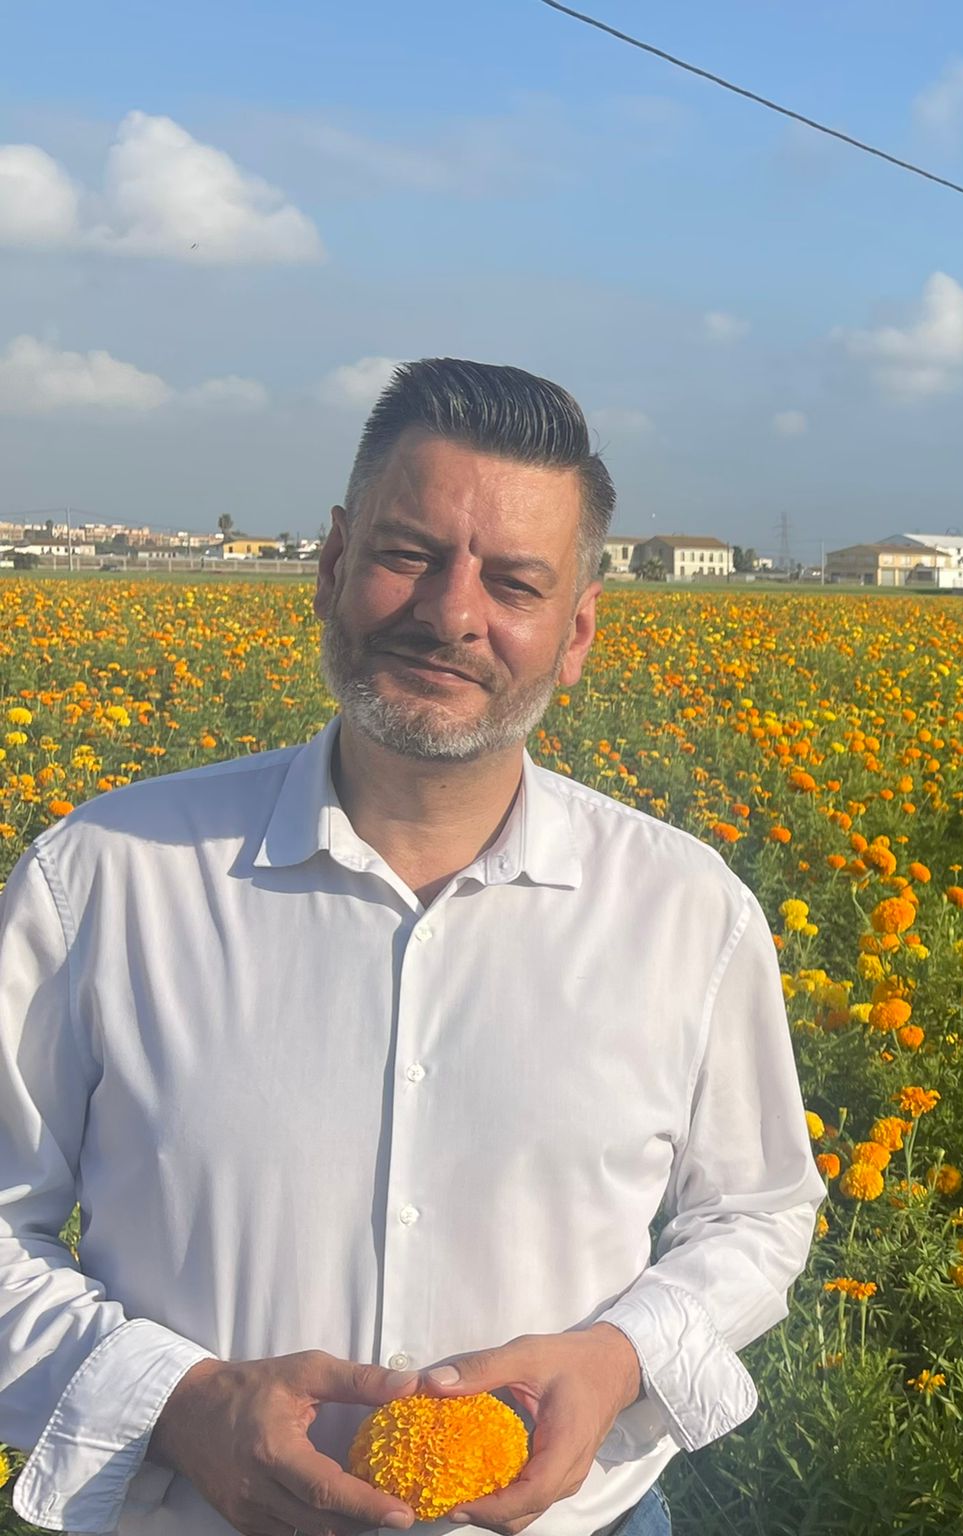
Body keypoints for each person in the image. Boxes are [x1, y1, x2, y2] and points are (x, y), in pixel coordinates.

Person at [0, 359, 826, 1536]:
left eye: (516, 582)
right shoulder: (106, 876)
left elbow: (757, 1213)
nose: (451, 615)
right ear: (334, 565)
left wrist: (622, 1356)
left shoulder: (684, 910)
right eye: (408, 554)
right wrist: (177, 1404)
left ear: (576, 631)